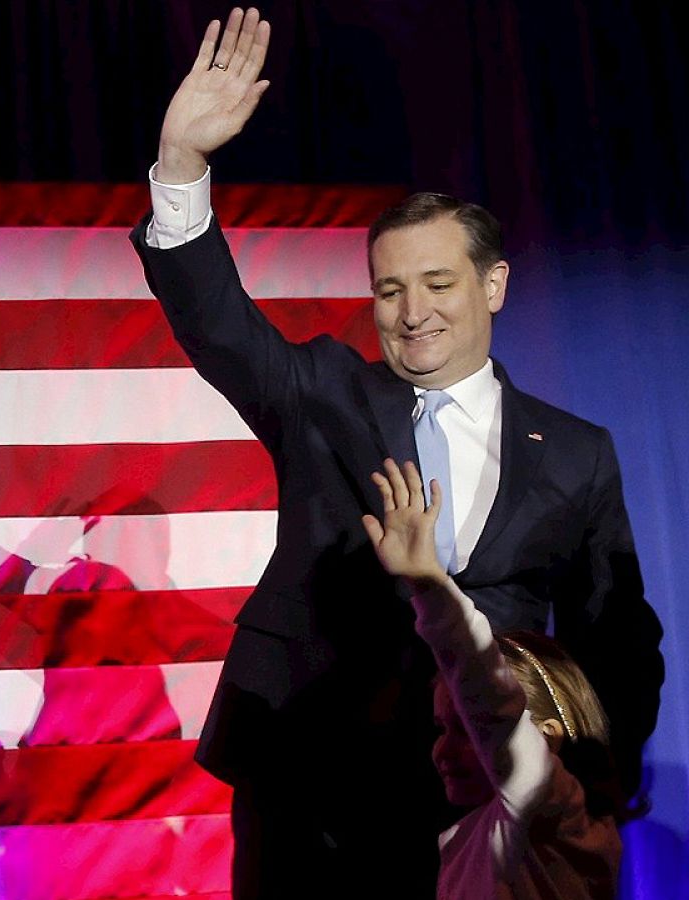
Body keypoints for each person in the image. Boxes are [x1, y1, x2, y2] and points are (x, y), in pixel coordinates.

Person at [129, 8, 663, 895]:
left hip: (481, 797)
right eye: (389, 288)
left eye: (438, 283)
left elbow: (617, 633)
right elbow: (219, 327)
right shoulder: (324, 392)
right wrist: (182, 166)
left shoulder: (576, 452)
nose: (412, 311)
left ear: (493, 284)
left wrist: (603, 779)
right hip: (313, 785)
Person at [365, 458, 625, 898]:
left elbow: (485, 690)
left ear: (546, 740)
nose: (443, 749)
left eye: (468, 729)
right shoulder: (471, 833)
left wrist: (430, 585)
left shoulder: (554, 816)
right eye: (442, 728)